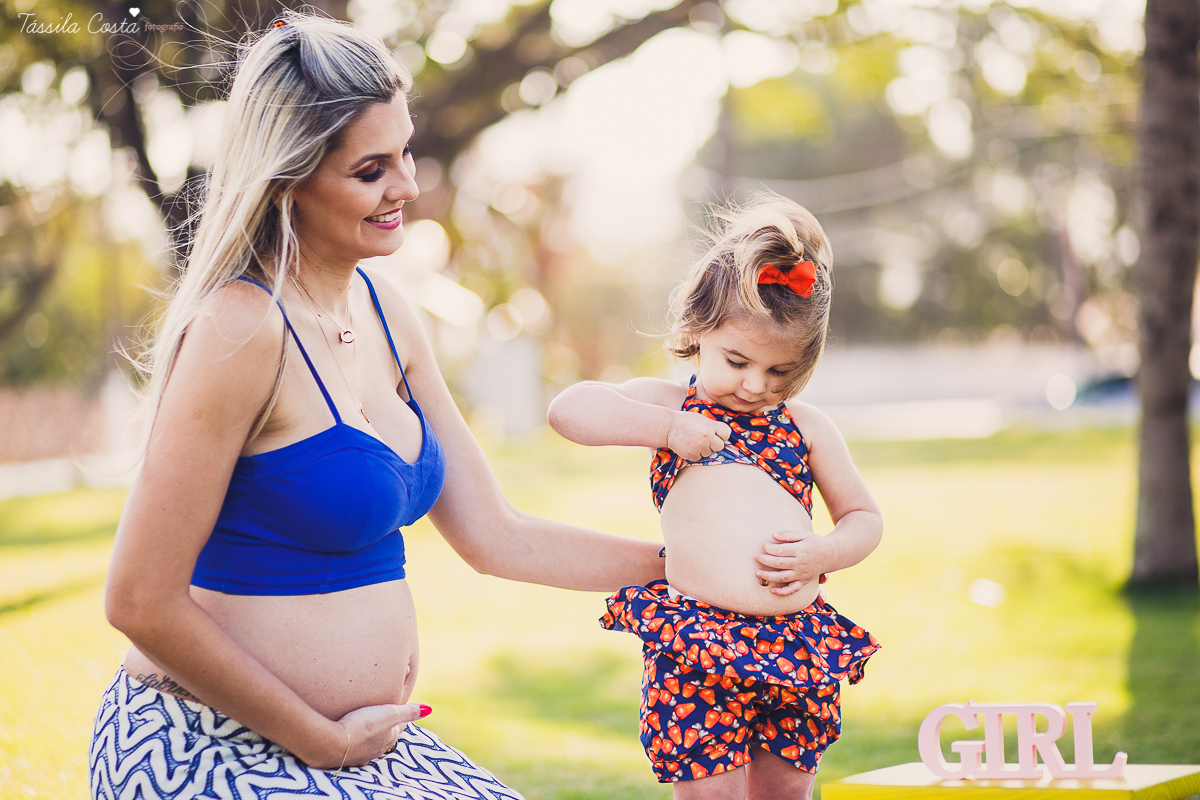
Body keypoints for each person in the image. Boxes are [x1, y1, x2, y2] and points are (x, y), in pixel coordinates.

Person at [88, 14, 671, 799]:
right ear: (287, 179)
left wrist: (697, 570)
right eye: (371, 170)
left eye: (404, 152)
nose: (406, 186)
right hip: (210, 742)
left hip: (358, 746)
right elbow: (138, 599)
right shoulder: (241, 330)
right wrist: (319, 740)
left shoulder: (387, 309)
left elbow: (498, 536)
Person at [547, 195, 883, 800]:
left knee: (787, 793)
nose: (756, 385)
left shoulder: (806, 426)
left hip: (794, 647)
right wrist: (669, 432)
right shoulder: (673, 407)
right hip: (699, 643)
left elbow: (864, 517)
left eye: (780, 371)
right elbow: (569, 411)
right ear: (697, 330)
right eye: (737, 360)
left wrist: (823, 554)